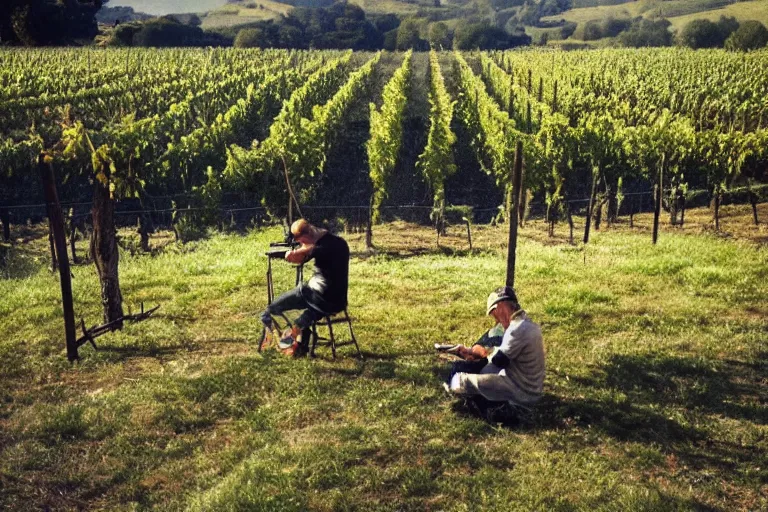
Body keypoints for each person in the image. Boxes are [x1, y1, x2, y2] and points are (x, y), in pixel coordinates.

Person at [443, 286, 545, 420]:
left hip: (521, 390)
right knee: (485, 371)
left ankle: (460, 392)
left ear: (500, 307)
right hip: (531, 386)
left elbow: (499, 361)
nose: (495, 319)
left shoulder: (516, 329)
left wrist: (479, 353)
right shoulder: (528, 323)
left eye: (493, 313)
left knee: (462, 380)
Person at [260, 219, 350, 357]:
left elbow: (302, 253)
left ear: (307, 237)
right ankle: (300, 344)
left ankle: (284, 341)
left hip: (317, 298)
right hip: (336, 301)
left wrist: (291, 254)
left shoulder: (318, 248)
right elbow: (310, 248)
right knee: (304, 317)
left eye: (301, 241)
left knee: (270, 311)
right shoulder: (339, 243)